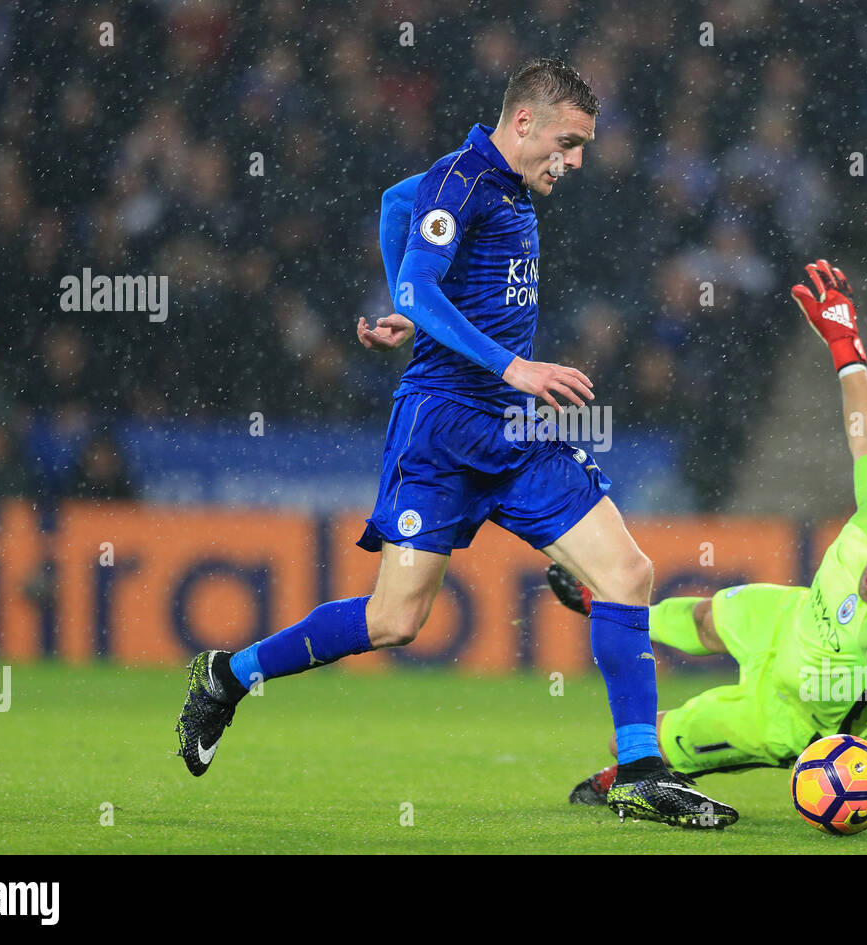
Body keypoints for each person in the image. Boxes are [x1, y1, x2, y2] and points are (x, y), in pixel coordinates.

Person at [175, 58, 737, 829]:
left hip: (510, 427)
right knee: (394, 621)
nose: (573, 162)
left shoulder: (493, 185)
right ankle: (227, 676)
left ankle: (640, 769)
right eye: (568, 143)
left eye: (582, 149)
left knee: (627, 571)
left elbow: (392, 205)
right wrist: (489, 347)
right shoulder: (464, 178)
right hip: (440, 427)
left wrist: (420, 306)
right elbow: (412, 275)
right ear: (525, 122)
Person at [548, 260, 867, 817]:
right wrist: (845, 344)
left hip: (789, 711)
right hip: (785, 619)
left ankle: (621, 776)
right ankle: (608, 606)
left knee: (640, 736)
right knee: (702, 619)